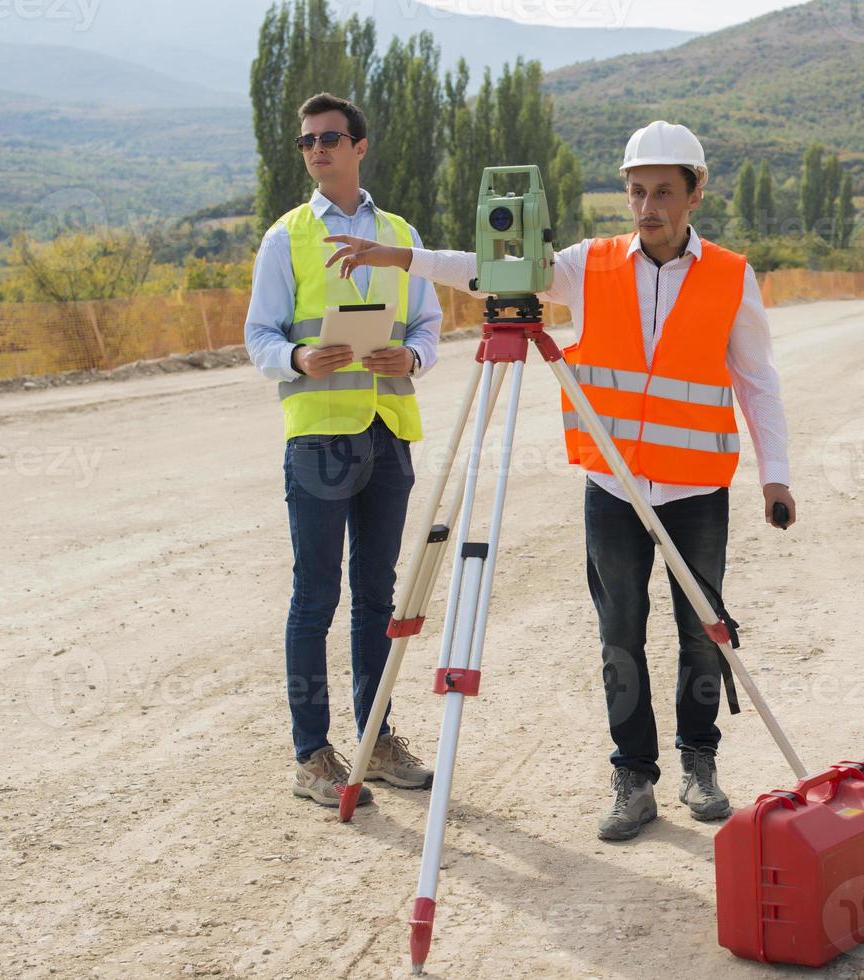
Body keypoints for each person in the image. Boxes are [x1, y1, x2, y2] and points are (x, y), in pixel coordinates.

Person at [323, 120, 796, 840]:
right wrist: (399, 256)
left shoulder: (731, 275)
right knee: (620, 633)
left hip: (695, 486)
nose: (647, 206)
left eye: (663, 192)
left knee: (703, 633)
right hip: (612, 484)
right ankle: (633, 776)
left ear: (695, 192)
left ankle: (699, 762)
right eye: (636, 191)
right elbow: (490, 269)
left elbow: (756, 380)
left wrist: (776, 477)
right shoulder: (590, 263)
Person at [243, 92, 439, 808]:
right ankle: (310, 756)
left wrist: (410, 360)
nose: (316, 150)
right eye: (306, 142)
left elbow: (428, 325)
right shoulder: (285, 237)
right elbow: (258, 335)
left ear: (359, 146)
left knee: (377, 597)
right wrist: (297, 358)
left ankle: (375, 741)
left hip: (387, 433)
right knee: (315, 596)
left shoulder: (398, 233)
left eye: (329, 138)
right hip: (319, 437)